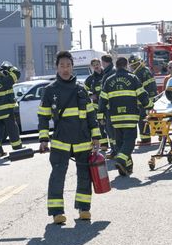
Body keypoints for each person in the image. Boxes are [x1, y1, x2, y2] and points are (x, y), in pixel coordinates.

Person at [38, 51, 101, 224]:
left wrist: (96, 136)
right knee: (58, 175)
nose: (65, 69)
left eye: (68, 65)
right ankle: (57, 212)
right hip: (60, 141)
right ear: (56, 68)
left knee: (84, 175)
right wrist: (43, 139)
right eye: (62, 66)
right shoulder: (50, 91)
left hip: (82, 140)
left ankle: (84, 209)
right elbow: (43, 116)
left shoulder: (81, 89)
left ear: (73, 67)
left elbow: (91, 115)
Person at [99, 57, 153, 176]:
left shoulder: (108, 80)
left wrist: (100, 116)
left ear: (116, 66)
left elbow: (102, 100)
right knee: (129, 142)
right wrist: (149, 105)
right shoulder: (133, 78)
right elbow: (142, 95)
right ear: (126, 65)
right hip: (130, 117)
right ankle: (121, 160)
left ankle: (127, 167)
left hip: (115, 118)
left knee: (120, 143)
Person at [0, 61, 22, 157]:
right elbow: (17, 73)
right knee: (12, 129)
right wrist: (10, 67)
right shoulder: (6, 80)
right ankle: (17, 147)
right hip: (7, 110)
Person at [128, 54, 158, 145]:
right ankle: (160, 135)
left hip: (144, 101)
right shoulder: (145, 71)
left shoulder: (139, 73)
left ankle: (145, 139)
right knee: (150, 118)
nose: (134, 66)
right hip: (148, 99)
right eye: (132, 65)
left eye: (135, 64)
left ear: (140, 63)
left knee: (142, 120)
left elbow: (142, 88)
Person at [84, 58, 109, 151]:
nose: (96, 66)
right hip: (97, 107)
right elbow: (83, 91)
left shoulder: (106, 75)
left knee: (110, 126)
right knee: (100, 127)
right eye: (94, 65)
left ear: (100, 64)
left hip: (108, 106)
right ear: (91, 67)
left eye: (97, 64)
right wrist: (90, 95)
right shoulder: (90, 79)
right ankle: (104, 145)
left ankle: (115, 146)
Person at [100, 54, 117, 158]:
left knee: (111, 129)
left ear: (105, 63)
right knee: (109, 129)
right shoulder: (110, 72)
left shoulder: (109, 73)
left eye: (102, 63)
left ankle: (115, 150)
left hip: (110, 106)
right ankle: (114, 149)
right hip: (111, 106)